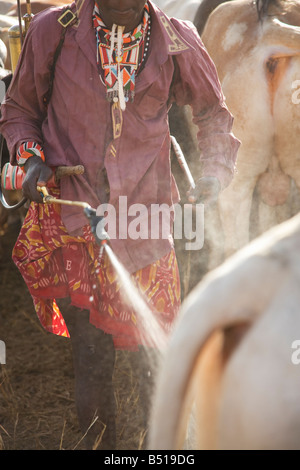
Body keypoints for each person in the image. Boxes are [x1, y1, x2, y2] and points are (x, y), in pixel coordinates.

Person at [0, 0, 240, 450]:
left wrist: (212, 173)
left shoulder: (177, 40)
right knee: (91, 355)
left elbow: (212, 115)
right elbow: (20, 110)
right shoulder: (54, 32)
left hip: (145, 222)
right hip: (76, 219)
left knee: (154, 360)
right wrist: (30, 159)